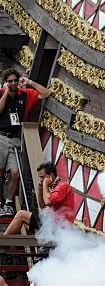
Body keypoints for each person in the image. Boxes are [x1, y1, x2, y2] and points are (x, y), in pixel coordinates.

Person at [0, 69, 50, 217]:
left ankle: (9, 203)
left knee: (15, 173)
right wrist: (5, 93)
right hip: (1, 136)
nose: (13, 83)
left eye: (15, 80)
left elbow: (45, 93)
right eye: (10, 81)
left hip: (15, 138)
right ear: (5, 82)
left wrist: (30, 82)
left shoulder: (25, 94)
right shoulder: (2, 92)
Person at [4, 161, 75, 236]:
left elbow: (48, 201)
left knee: (21, 214)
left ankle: (4, 242)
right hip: (52, 224)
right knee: (23, 223)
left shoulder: (62, 186)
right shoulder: (55, 186)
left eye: (42, 177)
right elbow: (42, 206)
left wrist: (45, 185)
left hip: (59, 227)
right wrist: (40, 190)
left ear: (50, 175)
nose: (40, 180)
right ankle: (9, 244)